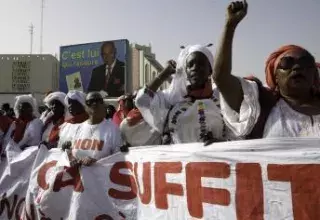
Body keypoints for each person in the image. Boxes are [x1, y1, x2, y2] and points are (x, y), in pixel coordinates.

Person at [213, 0, 320, 138]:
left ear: (314, 74)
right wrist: (230, 25)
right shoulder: (259, 103)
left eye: (306, 63)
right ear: (275, 76)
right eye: (287, 63)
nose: (298, 67)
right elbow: (221, 77)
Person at [135, 45, 238, 145]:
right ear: (186, 72)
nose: (195, 68)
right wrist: (164, 73)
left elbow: (239, 136)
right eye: (190, 65)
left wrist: (221, 144)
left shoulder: (223, 101)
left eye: (201, 64)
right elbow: (142, 100)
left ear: (210, 70)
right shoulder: (172, 102)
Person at [65, 92, 122, 166]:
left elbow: (118, 158)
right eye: (90, 102)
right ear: (85, 107)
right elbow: (70, 152)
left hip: (101, 176)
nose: (95, 104)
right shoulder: (77, 128)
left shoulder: (113, 129)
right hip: (78, 176)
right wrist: (72, 159)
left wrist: (96, 162)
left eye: (99, 101)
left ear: (103, 105)